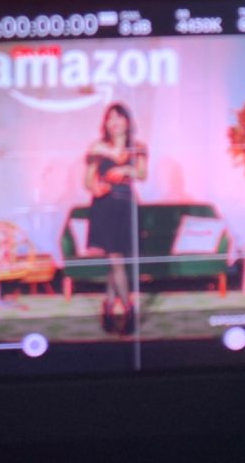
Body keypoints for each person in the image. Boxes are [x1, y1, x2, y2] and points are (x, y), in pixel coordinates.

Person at [84, 102, 148, 335]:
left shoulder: (138, 147)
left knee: (116, 260)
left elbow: (142, 174)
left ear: (127, 121)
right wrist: (96, 187)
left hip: (126, 205)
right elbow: (88, 181)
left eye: (118, 117)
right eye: (110, 118)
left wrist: (124, 170)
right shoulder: (97, 147)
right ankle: (129, 311)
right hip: (105, 205)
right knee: (116, 259)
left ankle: (108, 307)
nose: (114, 122)